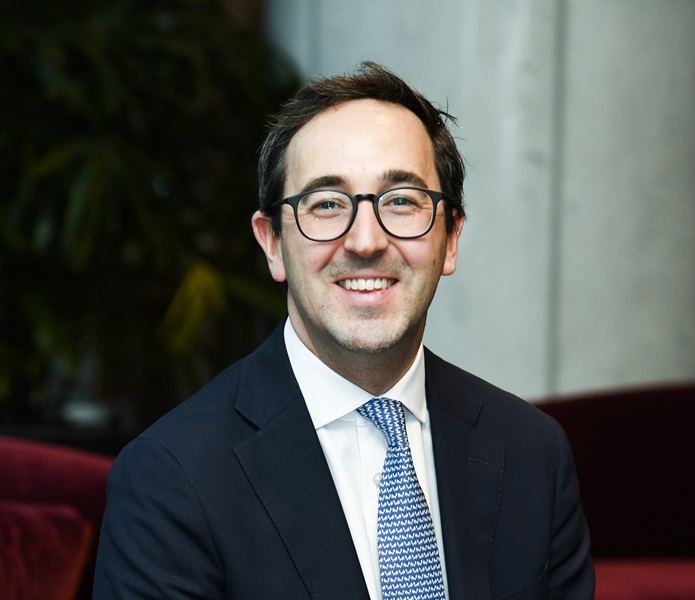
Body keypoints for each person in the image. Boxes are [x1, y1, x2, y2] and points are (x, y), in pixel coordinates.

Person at [94, 62, 594, 599]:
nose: (365, 242)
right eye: (327, 205)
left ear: (450, 239)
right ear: (273, 243)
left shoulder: (532, 453)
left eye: (400, 201)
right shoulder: (172, 478)